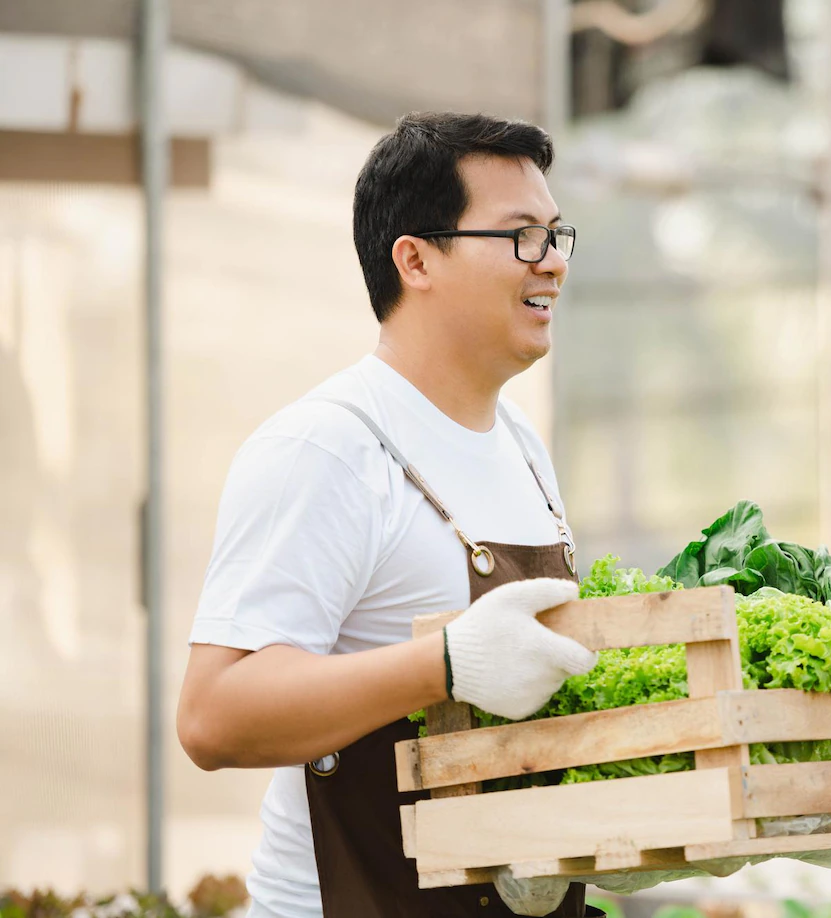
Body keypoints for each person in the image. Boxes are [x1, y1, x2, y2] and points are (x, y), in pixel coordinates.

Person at [177, 112, 599, 918]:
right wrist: (443, 664)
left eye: (556, 233)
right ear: (415, 258)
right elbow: (212, 715)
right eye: (519, 236)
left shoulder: (521, 446)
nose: (551, 263)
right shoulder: (329, 446)